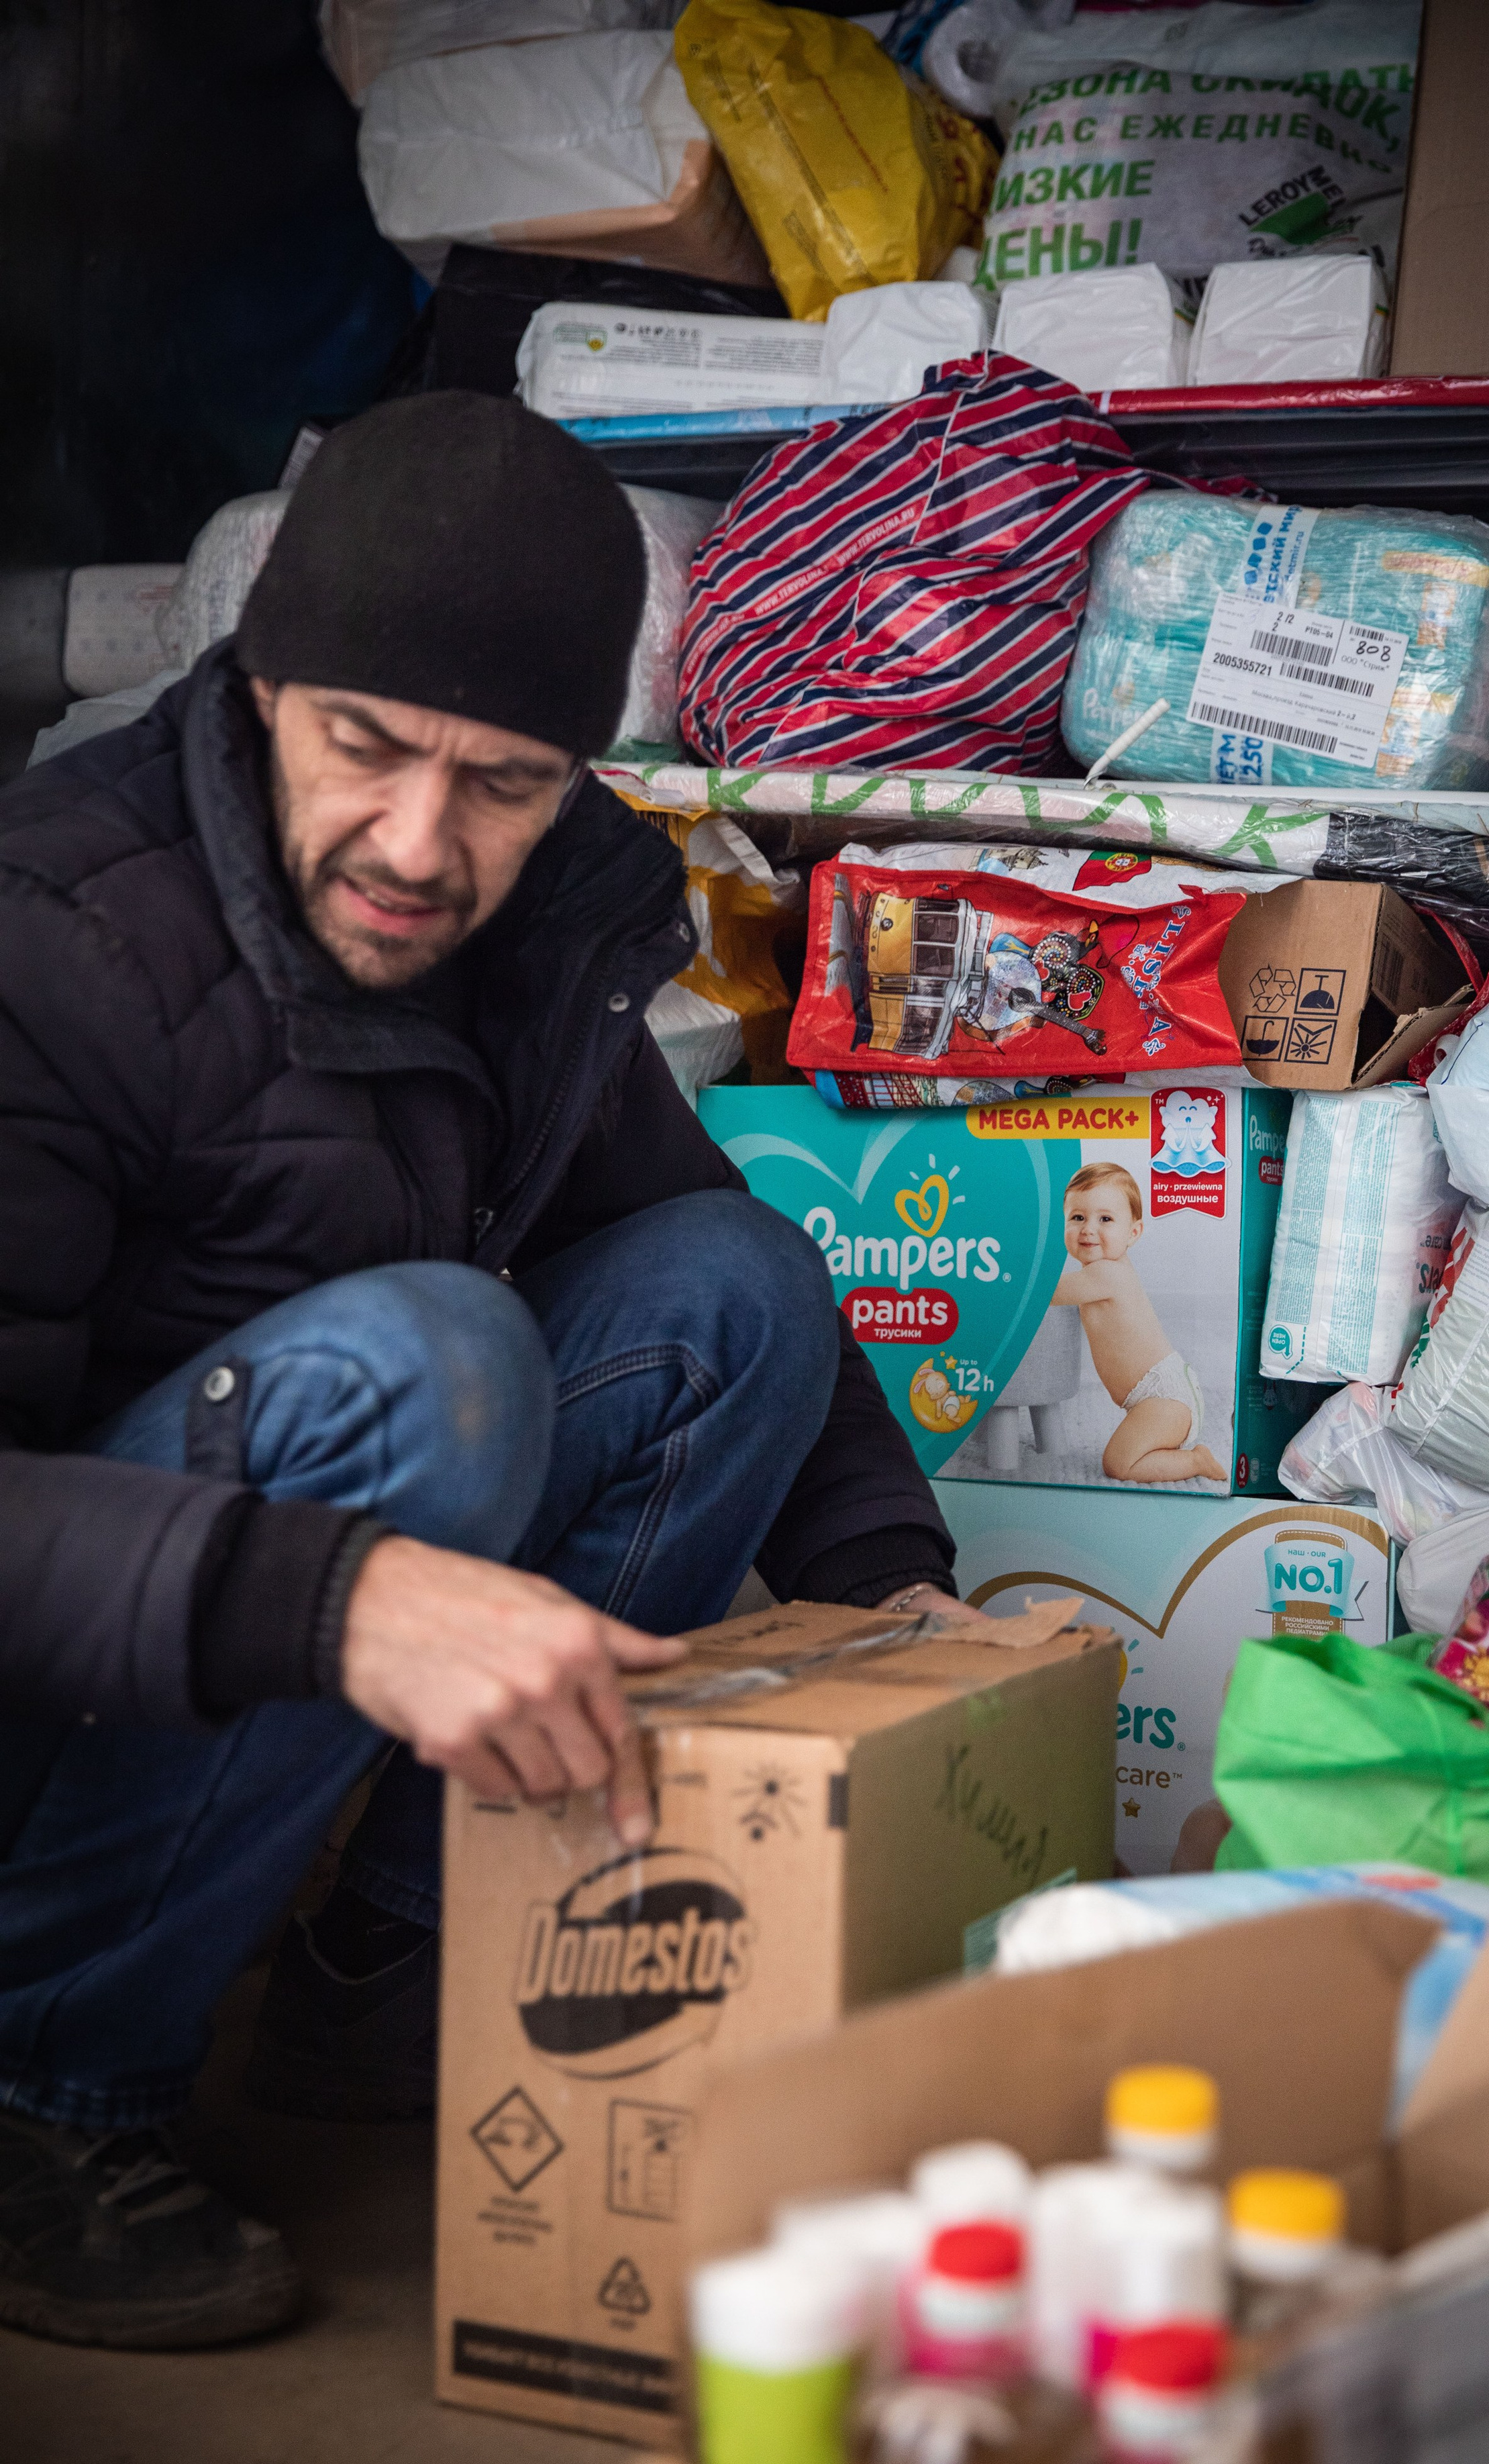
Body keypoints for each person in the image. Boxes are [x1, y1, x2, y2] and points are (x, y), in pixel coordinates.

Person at [0, 393, 968, 2353]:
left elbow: (709, 1249)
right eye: (363, 745)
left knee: (729, 1283)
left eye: (506, 780)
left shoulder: (534, 915)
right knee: (435, 1359)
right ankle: (41, 2079)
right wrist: (338, 1592)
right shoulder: (58, 935)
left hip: (254, 1600)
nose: (421, 845)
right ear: (264, 675)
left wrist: (894, 1593)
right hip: (72, 1662)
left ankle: (408, 1958)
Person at [1050, 1165, 1225, 1487]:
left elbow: (1046, 1293)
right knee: (1124, 1455)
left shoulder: (1107, 1274)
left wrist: (1008, 1276)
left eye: (1105, 1219)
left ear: (1133, 1232)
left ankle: (1194, 1460)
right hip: (1157, 1395)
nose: (1088, 1229)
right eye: (1077, 1218)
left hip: (1164, 1396)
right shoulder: (1097, 1273)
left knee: (1118, 1464)